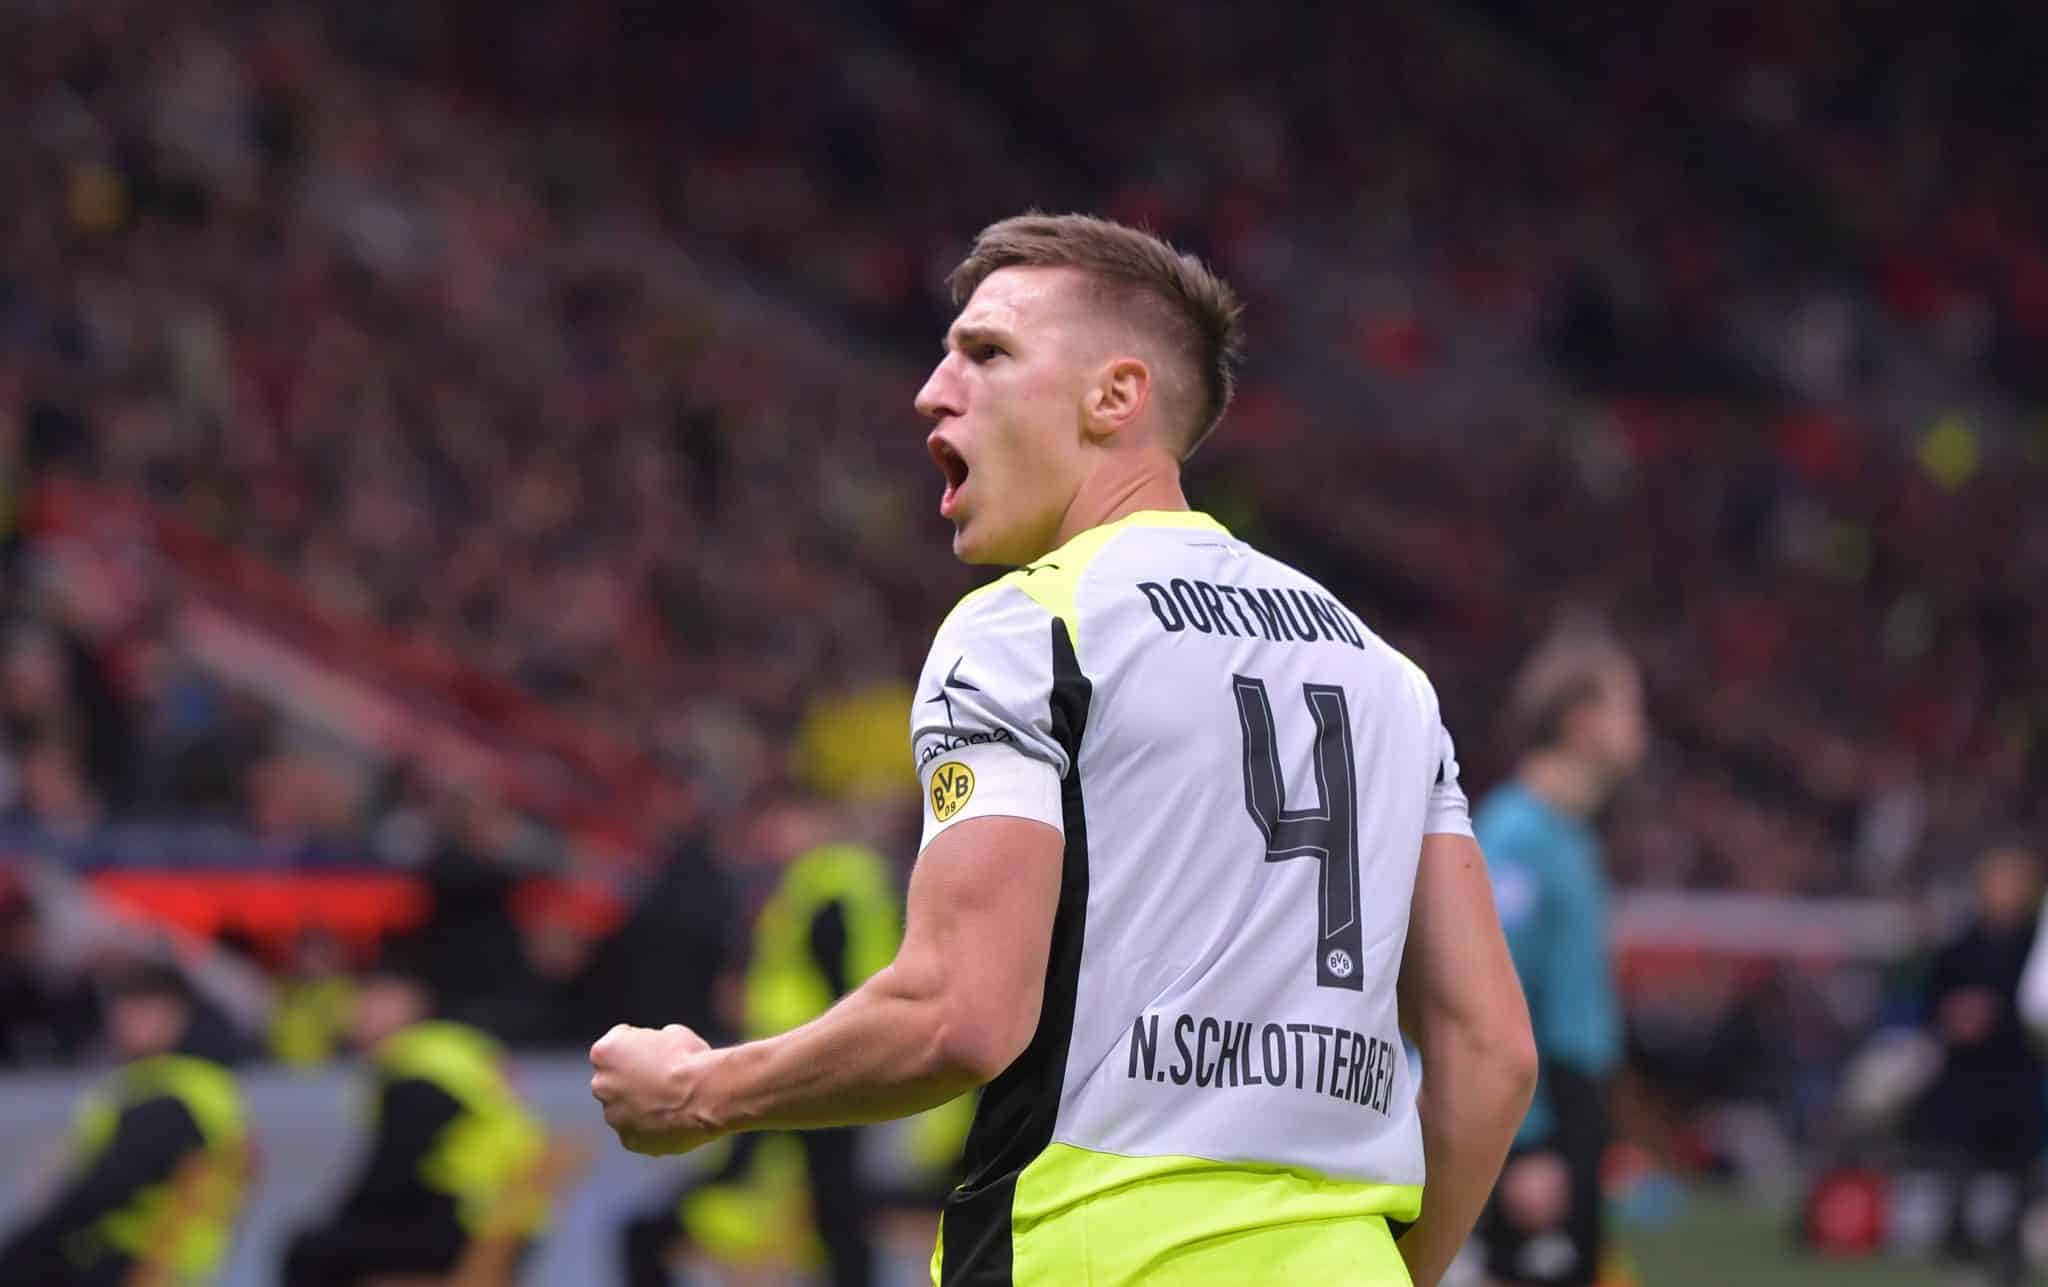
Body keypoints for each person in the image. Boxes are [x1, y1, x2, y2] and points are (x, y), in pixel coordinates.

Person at [592, 212, 1537, 1285]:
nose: (932, 391)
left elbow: (959, 1015)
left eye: (987, 351)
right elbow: (1490, 1054)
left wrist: (702, 1092)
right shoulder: (1387, 676)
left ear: (1113, 397)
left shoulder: (1030, 629)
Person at [622, 816, 902, 1287]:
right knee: (834, 1200)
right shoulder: (842, 880)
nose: (770, 836)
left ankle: (655, 1237)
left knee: (823, 1197)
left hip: (799, 1060)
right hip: (819, 1061)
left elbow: (836, 974)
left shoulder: (825, 883)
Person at [1472, 628, 1648, 1287]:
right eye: (1627, 706)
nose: (1640, 726)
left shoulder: (1571, 838)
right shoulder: (1517, 836)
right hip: (1536, 1122)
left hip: (1574, 1108)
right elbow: (1486, 996)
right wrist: (1525, 1144)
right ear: (1581, 720)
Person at [282, 945, 549, 1287]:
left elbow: (393, 1171)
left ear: (414, 1002)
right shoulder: (456, 1049)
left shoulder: (418, 1068)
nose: (359, 1009)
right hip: (502, 1225)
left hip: (466, 1226)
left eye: (376, 998)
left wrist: (339, 1219)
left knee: (309, 1251)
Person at [0, 958, 249, 1287]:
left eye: (143, 1009)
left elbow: (106, 1188)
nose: (128, 1021)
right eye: (124, 1008)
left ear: (179, 1013)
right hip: (152, 1264)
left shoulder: (174, 1095)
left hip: (138, 1264)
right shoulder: (143, 1084)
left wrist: (26, 1245)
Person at [1923, 840, 2042, 1285]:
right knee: (1957, 1158)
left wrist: (1998, 1015)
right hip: (1966, 1073)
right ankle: (1958, 1243)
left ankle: (2009, 1249)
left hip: (2019, 1071)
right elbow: (1933, 1001)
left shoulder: (2035, 947)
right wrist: (1954, 1016)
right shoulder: (1959, 946)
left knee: (2021, 1169)